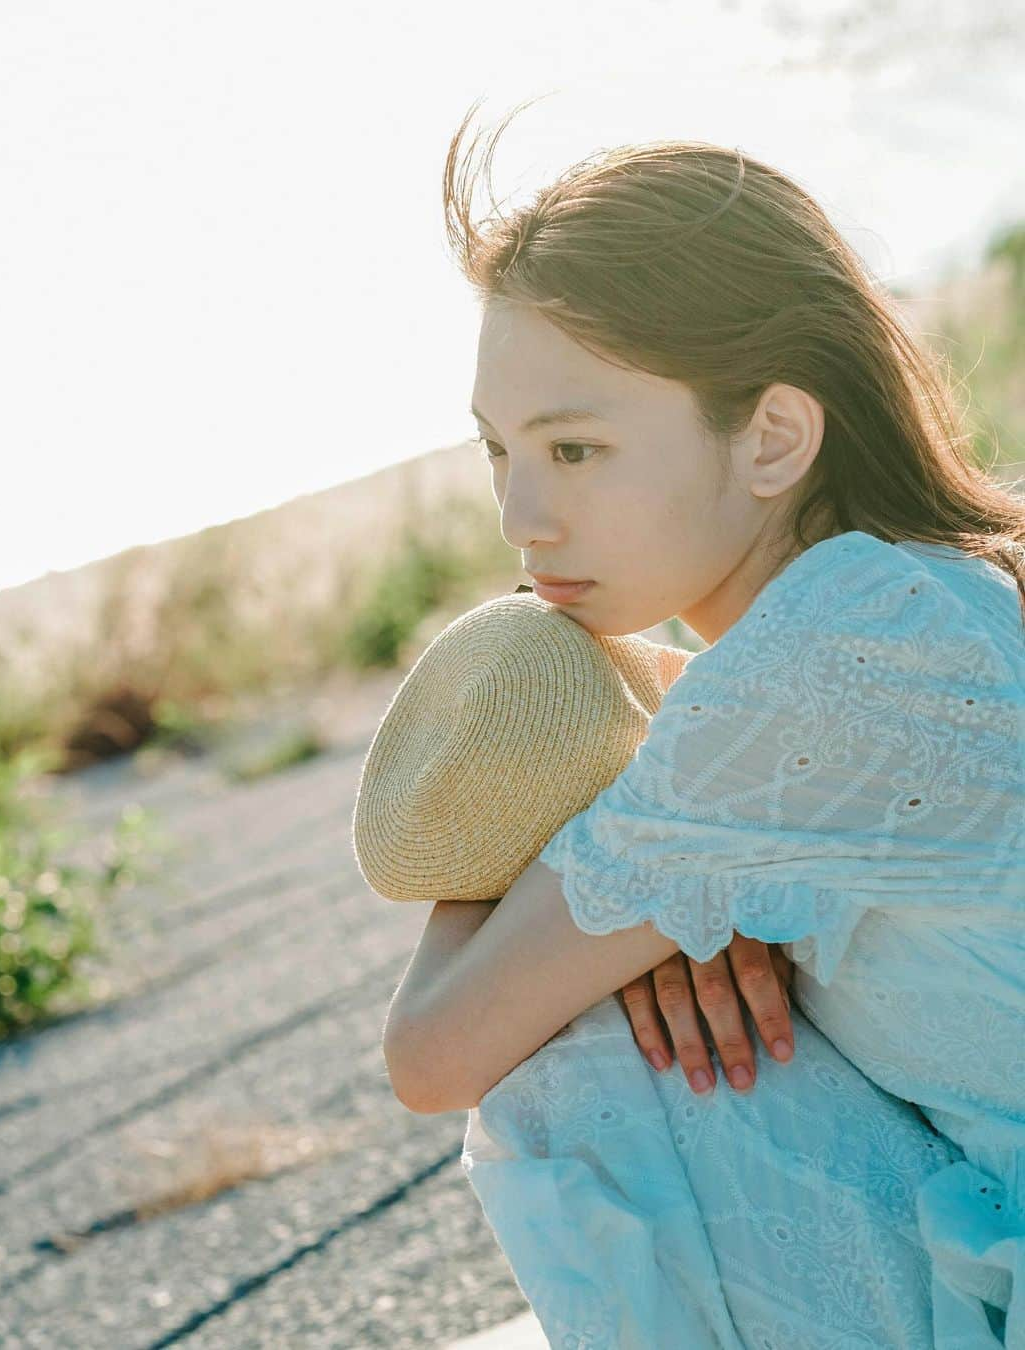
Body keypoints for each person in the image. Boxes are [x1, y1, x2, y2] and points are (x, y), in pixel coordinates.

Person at [382, 100, 1025, 1347]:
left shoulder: (836, 649)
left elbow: (434, 1054)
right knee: (612, 981)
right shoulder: (916, 590)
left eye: (575, 449)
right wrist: (652, 899)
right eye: (498, 452)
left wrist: (510, 828)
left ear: (773, 436)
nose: (521, 519)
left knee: (566, 1054)